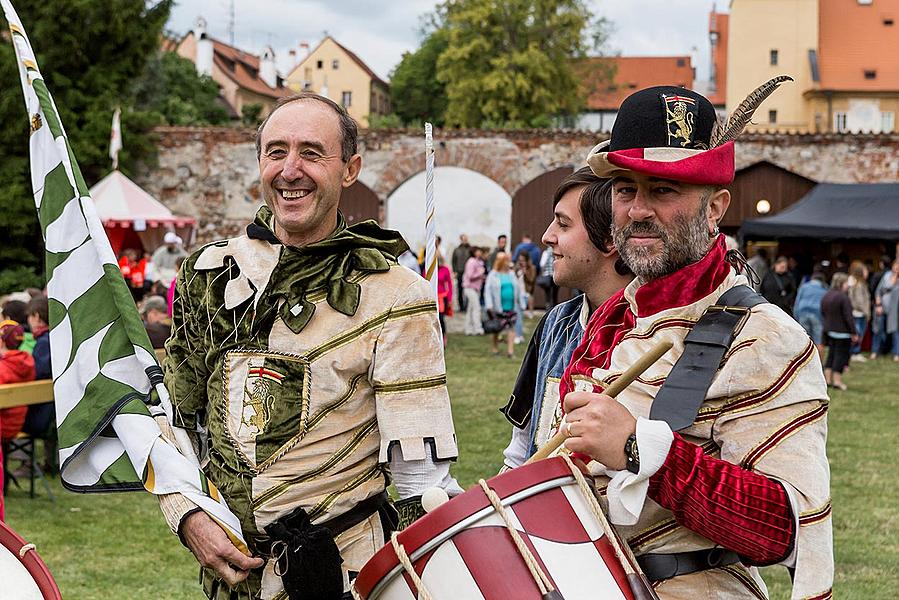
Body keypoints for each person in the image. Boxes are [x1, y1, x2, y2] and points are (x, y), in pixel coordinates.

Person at [161, 92, 460, 600]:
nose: (290, 170)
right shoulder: (208, 276)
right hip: (229, 579)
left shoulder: (397, 294)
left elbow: (418, 481)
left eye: (312, 153)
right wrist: (185, 512)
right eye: (276, 152)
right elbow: (174, 416)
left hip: (344, 575)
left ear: (350, 169)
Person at [559, 85, 832, 598]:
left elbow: (784, 527)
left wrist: (644, 451)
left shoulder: (765, 336)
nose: (637, 210)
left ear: (715, 209)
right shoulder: (613, 318)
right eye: (625, 189)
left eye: (663, 190)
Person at [502, 168, 633, 468]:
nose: (547, 236)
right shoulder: (555, 323)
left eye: (563, 224)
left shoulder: (658, 330)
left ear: (610, 239)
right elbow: (520, 450)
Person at [0, 321, 36, 446]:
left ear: (1, 341)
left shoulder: (3, 368)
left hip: (3, 427)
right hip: (17, 423)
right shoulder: (28, 363)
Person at [821, 273, 856, 391]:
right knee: (840, 356)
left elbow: (822, 311)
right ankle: (837, 381)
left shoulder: (827, 295)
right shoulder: (843, 297)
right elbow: (848, 317)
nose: (848, 285)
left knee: (831, 355)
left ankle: (827, 379)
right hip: (842, 332)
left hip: (829, 330)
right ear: (841, 283)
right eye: (846, 283)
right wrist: (854, 332)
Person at [484, 252, 521, 357]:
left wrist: (520, 301)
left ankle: (510, 351)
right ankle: (495, 349)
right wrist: (489, 305)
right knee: (496, 328)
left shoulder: (511, 274)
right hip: (498, 307)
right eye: (506, 261)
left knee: (511, 328)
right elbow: (487, 291)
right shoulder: (493, 275)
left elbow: (517, 288)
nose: (508, 263)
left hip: (511, 307)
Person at [793, 266, 829, 360]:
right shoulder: (825, 289)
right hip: (818, 315)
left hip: (803, 313)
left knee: (804, 341)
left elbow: (797, 302)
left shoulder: (804, 287)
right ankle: (820, 364)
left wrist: (796, 316)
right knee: (818, 341)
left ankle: (803, 361)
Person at [873, 258, 899, 361]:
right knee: (878, 330)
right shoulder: (886, 276)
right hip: (882, 308)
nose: (896, 268)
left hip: (895, 311)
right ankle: (875, 351)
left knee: (895, 331)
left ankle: (896, 353)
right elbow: (878, 291)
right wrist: (878, 304)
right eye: (895, 265)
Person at [847, 260, 870, 360]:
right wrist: (866, 312)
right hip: (859, 313)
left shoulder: (857, 283)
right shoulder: (858, 284)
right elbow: (859, 301)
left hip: (858, 313)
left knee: (858, 333)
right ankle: (854, 353)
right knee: (857, 334)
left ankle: (855, 352)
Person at [462, 247, 486, 335]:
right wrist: (480, 273)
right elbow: (470, 275)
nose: (479, 253)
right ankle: (478, 328)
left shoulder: (479, 262)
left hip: (476, 288)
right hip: (469, 288)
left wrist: (482, 277)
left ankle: (468, 329)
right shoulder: (471, 261)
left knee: (471, 309)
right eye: (477, 251)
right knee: (477, 307)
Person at [436, 254, 453, 345]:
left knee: (441, 318)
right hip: (433, 296)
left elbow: (449, 284)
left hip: (442, 297)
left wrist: (450, 299)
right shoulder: (429, 269)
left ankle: (443, 336)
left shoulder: (445, 270)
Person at [451, 234, 471, 312]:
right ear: (461, 240)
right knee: (460, 290)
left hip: (468, 273)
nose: (465, 241)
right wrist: (455, 271)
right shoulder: (456, 250)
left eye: (466, 239)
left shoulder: (470, 249)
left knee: (468, 290)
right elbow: (454, 261)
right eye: (463, 239)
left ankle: (467, 306)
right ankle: (461, 306)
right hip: (460, 272)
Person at [536, 246, 557, 310]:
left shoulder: (546, 253)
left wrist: (542, 273)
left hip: (547, 275)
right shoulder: (556, 252)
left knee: (548, 293)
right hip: (555, 275)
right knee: (555, 293)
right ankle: (554, 307)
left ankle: (548, 307)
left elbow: (542, 264)